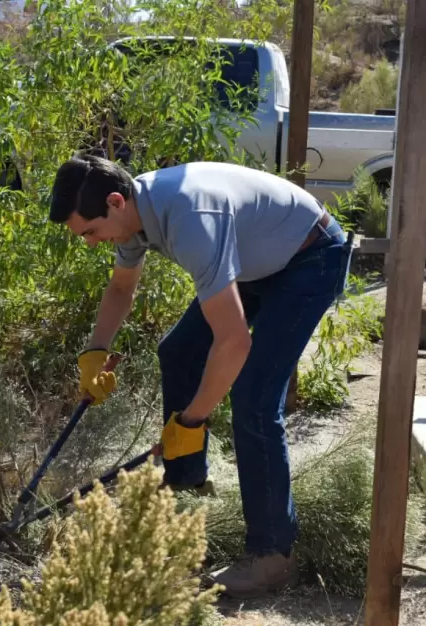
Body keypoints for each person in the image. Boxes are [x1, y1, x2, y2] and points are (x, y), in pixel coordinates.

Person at [48, 154, 353, 599]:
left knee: (254, 397)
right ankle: (187, 484)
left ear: (115, 202)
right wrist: (95, 353)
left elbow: (234, 344)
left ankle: (273, 556)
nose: (92, 243)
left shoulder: (190, 219)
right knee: (179, 351)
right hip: (257, 259)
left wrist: (191, 421)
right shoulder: (132, 214)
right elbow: (120, 289)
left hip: (309, 258)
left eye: (90, 232)